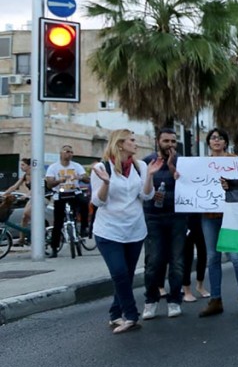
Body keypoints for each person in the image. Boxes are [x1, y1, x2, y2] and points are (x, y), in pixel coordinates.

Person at [90, 130, 159, 334]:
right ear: (119, 144)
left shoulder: (141, 166)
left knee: (126, 275)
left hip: (135, 230)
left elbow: (147, 196)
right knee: (119, 272)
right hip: (108, 231)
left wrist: (151, 177)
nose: (135, 144)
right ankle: (131, 315)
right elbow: (98, 201)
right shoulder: (102, 168)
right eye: (131, 140)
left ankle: (114, 314)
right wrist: (106, 182)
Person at [198, 128, 238, 317]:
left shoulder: (234, 161)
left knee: (236, 257)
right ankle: (215, 299)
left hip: (231, 215)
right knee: (212, 257)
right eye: (213, 138)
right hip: (209, 216)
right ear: (209, 142)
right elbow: (192, 184)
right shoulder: (201, 163)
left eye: (220, 137)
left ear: (225, 142)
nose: (217, 140)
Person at [141, 129, 186, 319]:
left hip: (177, 217)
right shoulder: (146, 162)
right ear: (157, 141)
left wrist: (173, 168)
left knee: (177, 261)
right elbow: (142, 190)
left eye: (173, 141)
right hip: (153, 217)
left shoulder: (182, 162)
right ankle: (151, 300)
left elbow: (190, 189)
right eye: (166, 140)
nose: (170, 144)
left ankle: (175, 300)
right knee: (153, 261)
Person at [45, 144, 88, 258]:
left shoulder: (76, 166)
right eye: (67, 151)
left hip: (74, 192)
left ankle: (84, 227)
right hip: (60, 194)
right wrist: (59, 180)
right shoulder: (53, 167)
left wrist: (80, 177)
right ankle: (54, 248)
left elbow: (86, 178)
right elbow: (49, 183)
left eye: (71, 152)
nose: (70, 154)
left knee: (84, 202)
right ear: (61, 153)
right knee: (58, 222)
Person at [5, 158, 32, 246]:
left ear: (29, 166)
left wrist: (27, 195)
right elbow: (14, 186)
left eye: (23, 165)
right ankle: (22, 239)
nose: (21, 167)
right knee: (24, 217)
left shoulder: (35, 175)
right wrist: (5, 194)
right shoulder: (25, 176)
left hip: (40, 197)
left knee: (27, 213)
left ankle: (36, 233)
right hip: (32, 198)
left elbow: (35, 187)